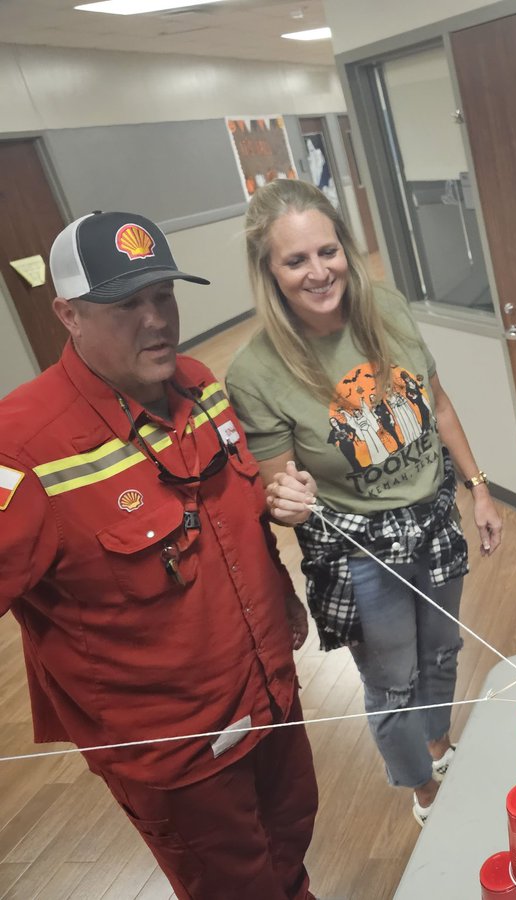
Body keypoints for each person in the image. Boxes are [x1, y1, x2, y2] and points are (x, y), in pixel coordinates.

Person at [0, 211, 318, 899]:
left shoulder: (200, 385)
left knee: (291, 851)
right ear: (69, 315)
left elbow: (236, 518)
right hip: (181, 756)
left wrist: (285, 593)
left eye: (162, 297)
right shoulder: (23, 448)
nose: (156, 322)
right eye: (125, 305)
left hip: (270, 695)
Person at [225, 178, 503, 828]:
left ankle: (440, 748)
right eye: (296, 260)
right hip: (358, 553)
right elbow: (280, 488)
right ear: (269, 271)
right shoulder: (256, 371)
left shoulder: (387, 307)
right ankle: (425, 790)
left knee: (441, 653)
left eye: (328, 251)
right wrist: (284, 502)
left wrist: (479, 487)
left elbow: (438, 405)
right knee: (393, 683)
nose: (319, 272)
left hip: (433, 520)